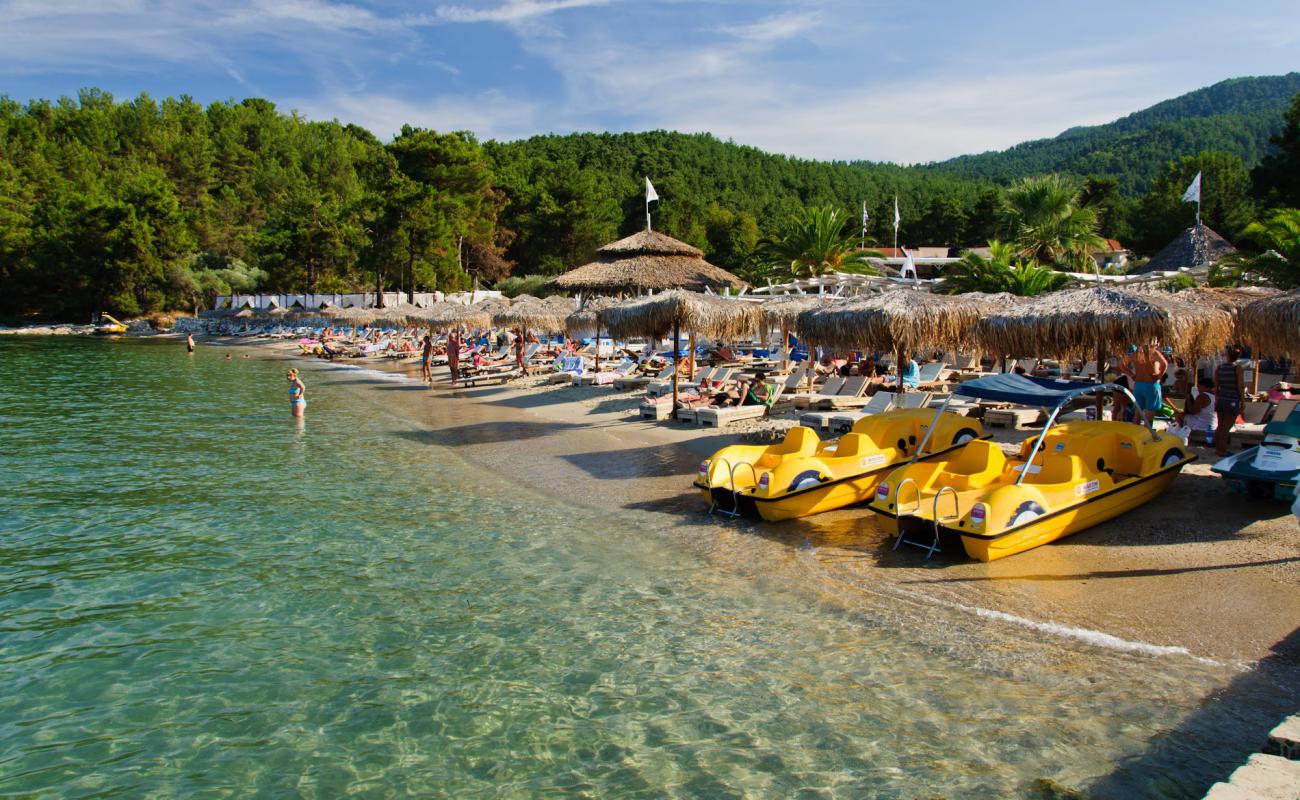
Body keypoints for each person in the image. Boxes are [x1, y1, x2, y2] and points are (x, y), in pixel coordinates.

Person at [1119, 342, 1169, 428]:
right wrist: (1158, 376)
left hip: (1138, 385)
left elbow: (1120, 364)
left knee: (1137, 413)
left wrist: (1132, 375)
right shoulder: (1153, 353)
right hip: (1151, 384)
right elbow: (1165, 364)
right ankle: (1147, 435)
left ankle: (1135, 434)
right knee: (1150, 415)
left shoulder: (1136, 354)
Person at [1213, 345, 1245, 457]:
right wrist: (1243, 401)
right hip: (1232, 400)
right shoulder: (1237, 369)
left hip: (1221, 399)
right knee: (1226, 427)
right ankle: (1223, 450)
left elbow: (1216, 387)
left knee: (1220, 426)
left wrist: (1217, 399)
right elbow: (1240, 386)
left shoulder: (1219, 368)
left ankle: (1218, 449)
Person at [1178, 377, 1216, 444]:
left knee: (1178, 415)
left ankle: (1184, 436)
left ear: (1204, 386)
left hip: (1202, 424)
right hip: (1213, 424)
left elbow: (1193, 412)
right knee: (1184, 415)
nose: (1198, 388)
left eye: (1199, 386)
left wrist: (1188, 399)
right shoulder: (1215, 395)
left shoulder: (1202, 396)